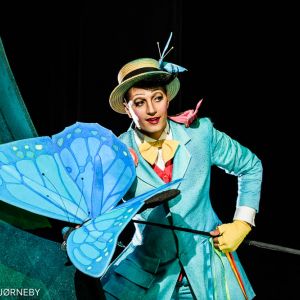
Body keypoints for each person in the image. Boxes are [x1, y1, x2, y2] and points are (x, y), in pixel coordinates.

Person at [100, 50, 263, 299]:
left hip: (209, 272)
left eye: (157, 98)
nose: (152, 110)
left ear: (167, 98)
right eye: (140, 102)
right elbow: (91, 207)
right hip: (148, 280)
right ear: (126, 107)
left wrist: (242, 223)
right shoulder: (115, 153)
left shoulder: (201, 134)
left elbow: (251, 166)